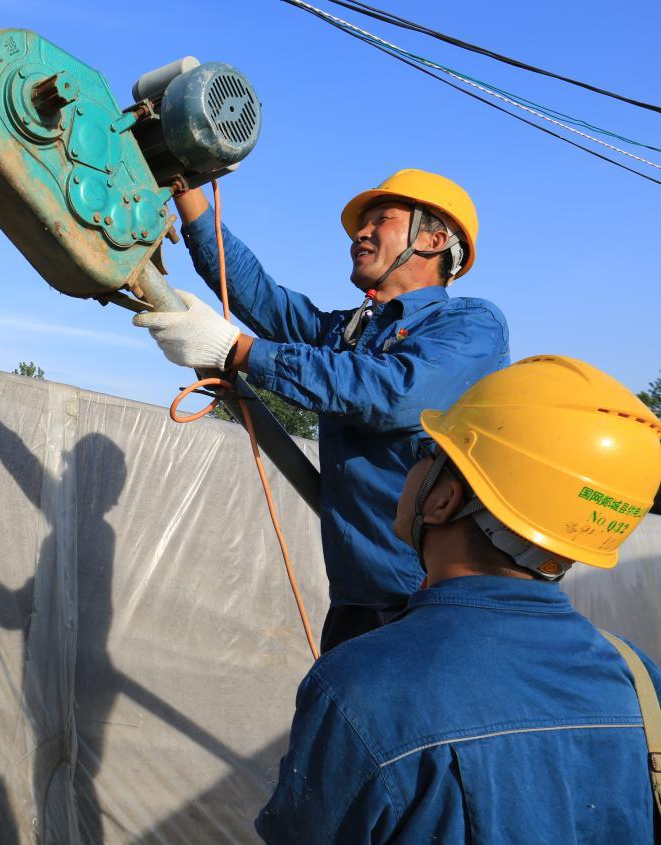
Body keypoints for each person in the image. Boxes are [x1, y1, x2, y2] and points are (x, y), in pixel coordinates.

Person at [255, 355, 661, 842]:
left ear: (443, 499)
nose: (413, 467)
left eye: (426, 452)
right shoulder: (639, 678)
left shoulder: (360, 687)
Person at [136, 170, 510, 651]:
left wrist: (239, 350)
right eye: (363, 223)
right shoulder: (351, 333)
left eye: (382, 219)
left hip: (436, 600)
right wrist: (186, 191)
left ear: (435, 239)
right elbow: (259, 296)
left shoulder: (469, 324)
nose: (361, 232)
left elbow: (394, 393)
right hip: (358, 596)